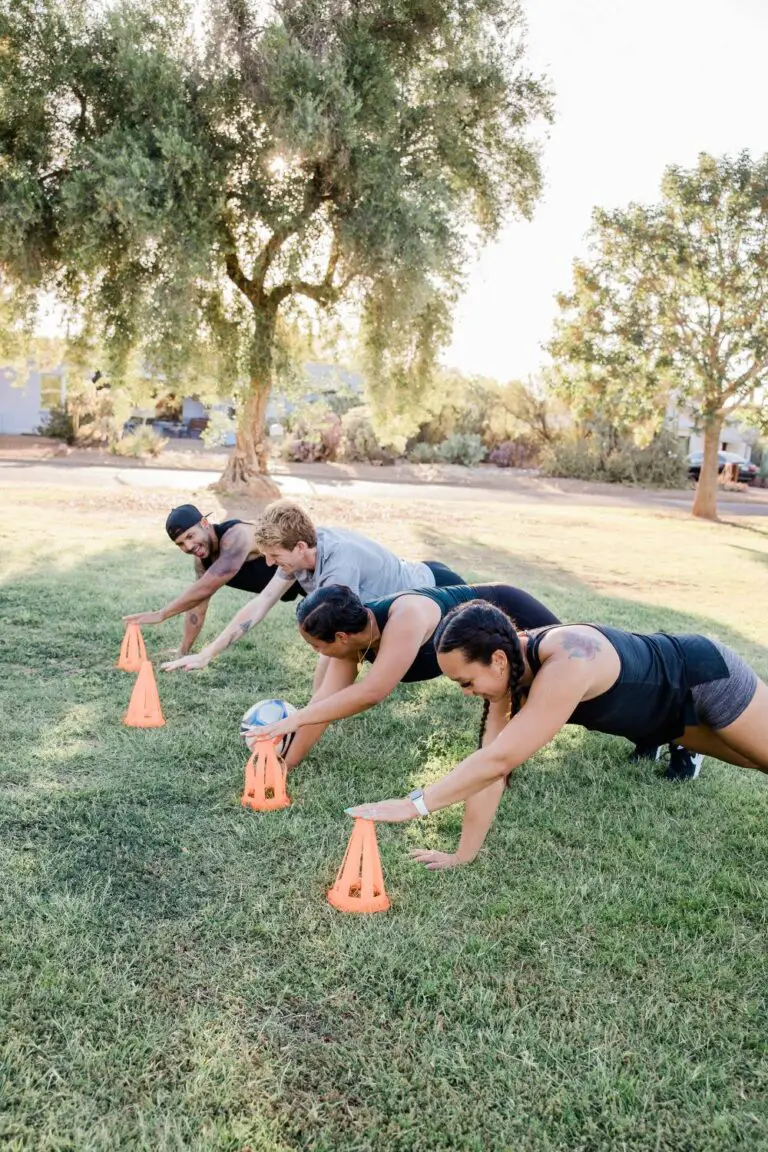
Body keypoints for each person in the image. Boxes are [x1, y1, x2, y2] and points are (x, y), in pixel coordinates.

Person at [346, 601, 768, 870]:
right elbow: (490, 769)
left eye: (465, 682)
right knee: (747, 758)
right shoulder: (507, 677)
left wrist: (413, 805)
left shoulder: (569, 657)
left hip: (705, 678)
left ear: (496, 659)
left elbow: (498, 761)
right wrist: (462, 855)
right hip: (664, 718)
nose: (466, 693)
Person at [254, 583, 562, 856]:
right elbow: (324, 705)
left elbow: (372, 692)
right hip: (476, 630)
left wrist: (294, 720)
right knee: (512, 714)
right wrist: (281, 764)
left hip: (506, 610)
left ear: (341, 636)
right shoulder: (348, 646)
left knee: (566, 695)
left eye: (317, 646)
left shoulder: (405, 616)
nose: (317, 652)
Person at [160, 500, 465, 677]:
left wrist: (309, 712)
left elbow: (332, 649)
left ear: (300, 547)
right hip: (414, 593)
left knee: (497, 644)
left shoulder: (338, 568)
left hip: (438, 588)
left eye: (274, 557)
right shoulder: (296, 555)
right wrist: (207, 654)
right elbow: (260, 604)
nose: (268, 564)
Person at [123, 504, 302, 655]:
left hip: (307, 571)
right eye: (181, 544)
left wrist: (161, 614)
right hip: (288, 581)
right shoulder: (203, 560)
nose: (188, 546)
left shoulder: (236, 536)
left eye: (190, 536)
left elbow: (206, 587)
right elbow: (197, 604)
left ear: (205, 523)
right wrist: (182, 652)